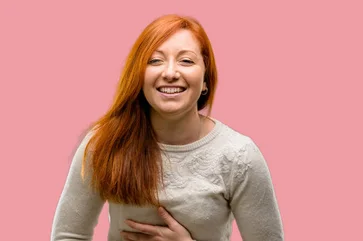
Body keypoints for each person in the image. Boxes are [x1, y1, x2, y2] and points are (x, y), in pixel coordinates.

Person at [51, 14, 284, 241]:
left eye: (186, 61)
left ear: (205, 81)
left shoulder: (240, 156)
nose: (170, 73)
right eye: (155, 60)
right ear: (139, 76)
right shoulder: (104, 143)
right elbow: (68, 236)